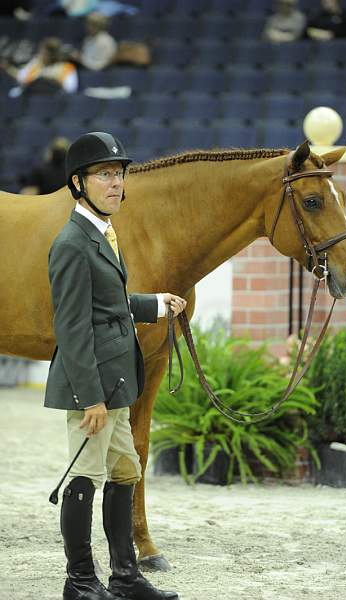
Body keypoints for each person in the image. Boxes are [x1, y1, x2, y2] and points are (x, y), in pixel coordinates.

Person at [44, 131, 184, 600]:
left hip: (120, 381)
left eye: (120, 174)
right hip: (95, 387)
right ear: (78, 183)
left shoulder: (103, 233)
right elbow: (73, 326)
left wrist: (154, 305)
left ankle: (125, 576)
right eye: (105, 174)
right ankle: (79, 581)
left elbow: (108, 303)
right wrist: (92, 398)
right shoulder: (70, 243)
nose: (116, 182)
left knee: (126, 471)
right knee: (85, 476)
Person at [1, 37, 78, 96]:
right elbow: (21, 78)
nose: (41, 55)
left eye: (45, 53)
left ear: (53, 54)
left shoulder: (66, 67)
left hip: (54, 100)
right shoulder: (36, 63)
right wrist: (8, 68)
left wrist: (50, 79)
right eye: (42, 52)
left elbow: (71, 89)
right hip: (32, 96)